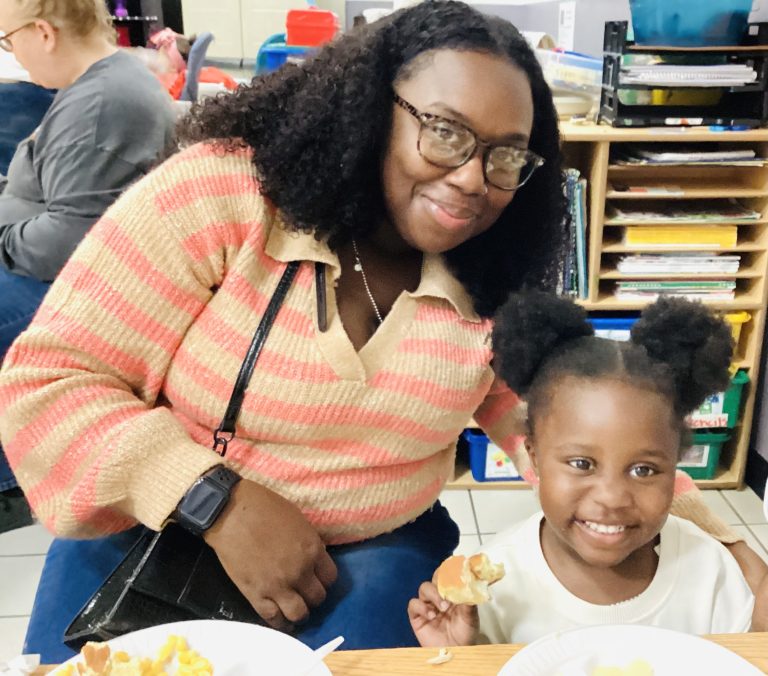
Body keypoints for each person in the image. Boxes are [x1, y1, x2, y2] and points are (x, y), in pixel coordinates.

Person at [0, 0, 763, 662]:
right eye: (443, 131)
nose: (472, 177)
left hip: (363, 568)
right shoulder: (226, 193)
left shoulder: (493, 283)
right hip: (155, 534)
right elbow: (49, 382)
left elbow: (569, 427)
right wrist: (214, 500)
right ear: (370, 108)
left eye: (505, 157)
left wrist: (724, 544)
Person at [408, 294, 767, 645]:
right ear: (533, 457)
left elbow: (740, 658)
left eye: (643, 470)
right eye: (582, 464)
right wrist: (460, 656)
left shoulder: (709, 571)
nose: (611, 497)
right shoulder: (496, 585)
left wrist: (761, 630)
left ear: (676, 467)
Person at [0, 0, 176, 530]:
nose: (14, 54)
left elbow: (69, 244)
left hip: (84, 297)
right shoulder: (98, 86)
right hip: (64, 276)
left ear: (44, 33)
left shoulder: (101, 105)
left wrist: (3, 232)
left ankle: (14, 480)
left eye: (9, 41)